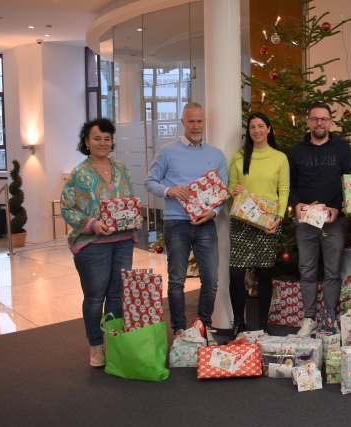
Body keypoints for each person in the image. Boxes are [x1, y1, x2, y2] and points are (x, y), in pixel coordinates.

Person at [144, 102, 228, 336]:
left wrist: (214, 212)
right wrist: (168, 191)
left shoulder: (216, 154)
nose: (195, 126)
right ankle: (180, 330)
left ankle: (204, 326)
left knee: (211, 280)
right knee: (177, 281)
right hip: (176, 223)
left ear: (204, 122)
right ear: (182, 122)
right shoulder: (167, 151)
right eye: (190, 121)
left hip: (206, 224)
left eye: (199, 121)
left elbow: (222, 193)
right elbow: (149, 182)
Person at [61, 118, 138, 367]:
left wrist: (134, 213)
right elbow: (67, 209)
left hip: (123, 241)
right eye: (97, 138)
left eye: (107, 138)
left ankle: (114, 344)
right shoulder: (78, 174)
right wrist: (92, 224)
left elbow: (127, 200)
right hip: (92, 245)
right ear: (86, 141)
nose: (102, 143)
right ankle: (96, 347)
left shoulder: (122, 169)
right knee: (95, 297)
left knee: (117, 296)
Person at [288, 101, 351, 337]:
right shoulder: (296, 152)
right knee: (306, 270)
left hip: (333, 221)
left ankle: (328, 318)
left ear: (330, 122)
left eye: (324, 119)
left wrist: (338, 209)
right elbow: (291, 185)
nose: (319, 123)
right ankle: (309, 319)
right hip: (305, 222)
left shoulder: (343, 148)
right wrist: (296, 205)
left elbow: (349, 182)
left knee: (332, 272)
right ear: (308, 122)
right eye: (315, 119)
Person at [223, 112, 289, 343]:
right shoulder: (239, 156)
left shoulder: (280, 158)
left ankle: (263, 321)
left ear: (269, 129)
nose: (256, 130)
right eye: (252, 127)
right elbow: (232, 185)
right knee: (236, 274)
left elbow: (284, 191)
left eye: (261, 126)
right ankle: (239, 322)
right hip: (242, 222)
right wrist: (234, 191)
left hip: (268, 224)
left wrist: (278, 218)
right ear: (248, 131)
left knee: (265, 274)